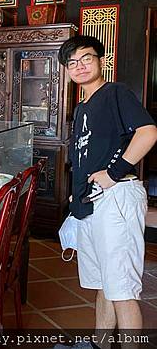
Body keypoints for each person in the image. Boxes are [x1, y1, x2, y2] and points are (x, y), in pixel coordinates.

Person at [58, 35, 157, 346]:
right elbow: (85, 156)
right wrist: (77, 193)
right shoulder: (82, 106)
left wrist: (114, 174)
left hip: (117, 197)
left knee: (122, 288)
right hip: (92, 202)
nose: (80, 66)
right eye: (72, 63)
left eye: (86, 58)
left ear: (101, 61)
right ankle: (99, 344)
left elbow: (148, 132)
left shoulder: (116, 93)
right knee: (104, 282)